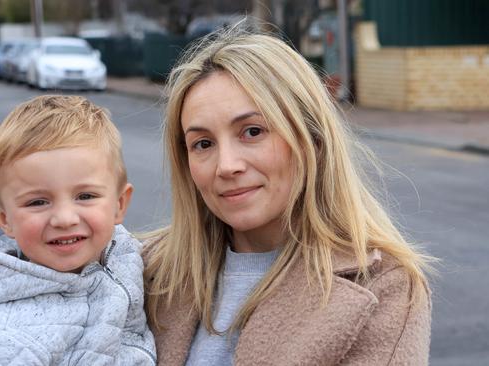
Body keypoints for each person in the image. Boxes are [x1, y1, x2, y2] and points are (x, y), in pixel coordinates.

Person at [144, 26, 433, 365]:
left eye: (252, 132)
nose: (226, 166)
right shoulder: (144, 271)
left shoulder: (386, 287)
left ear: (312, 141)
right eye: (203, 144)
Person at [0, 95, 156, 365]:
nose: (64, 218)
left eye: (85, 196)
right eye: (38, 202)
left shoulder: (125, 254)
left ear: (119, 204)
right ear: (4, 219)